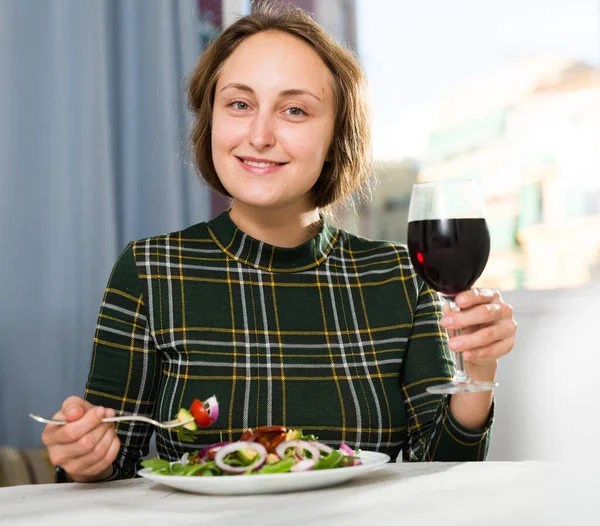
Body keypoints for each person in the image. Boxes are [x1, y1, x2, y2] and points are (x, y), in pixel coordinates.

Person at [42, 2, 517, 482]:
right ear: (211, 122)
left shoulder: (398, 277)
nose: (260, 135)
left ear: (337, 136)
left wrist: (478, 368)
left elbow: (444, 474)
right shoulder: (150, 269)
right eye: (240, 104)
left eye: (294, 110)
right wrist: (83, 455)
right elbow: (107, 472)